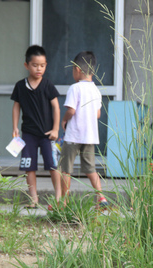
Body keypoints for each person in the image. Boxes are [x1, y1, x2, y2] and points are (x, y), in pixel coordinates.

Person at [11, 45, 62, 209]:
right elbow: (16, 107)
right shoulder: (20, 86)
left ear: (46, 65)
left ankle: (59, 199)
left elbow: (56, 107)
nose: (39, 68)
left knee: (53, 166)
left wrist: (55, 129)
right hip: (28, 134)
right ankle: (33, 199)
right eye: (35, 65)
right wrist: (15, 128)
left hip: (48, 135)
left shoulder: (48, 85)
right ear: (26, 65)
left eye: (42, 65)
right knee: (29, 167)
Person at [58, 51, 108, 208]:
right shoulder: (96, 91)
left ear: (77, 69)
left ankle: (64, 201)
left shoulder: (75, 88)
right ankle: (101, 197)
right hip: (90, 137)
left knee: (65, 169)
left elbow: (71, 110)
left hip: (73, 136)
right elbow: (98, 114)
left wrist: (64, 119)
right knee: (91, 168)